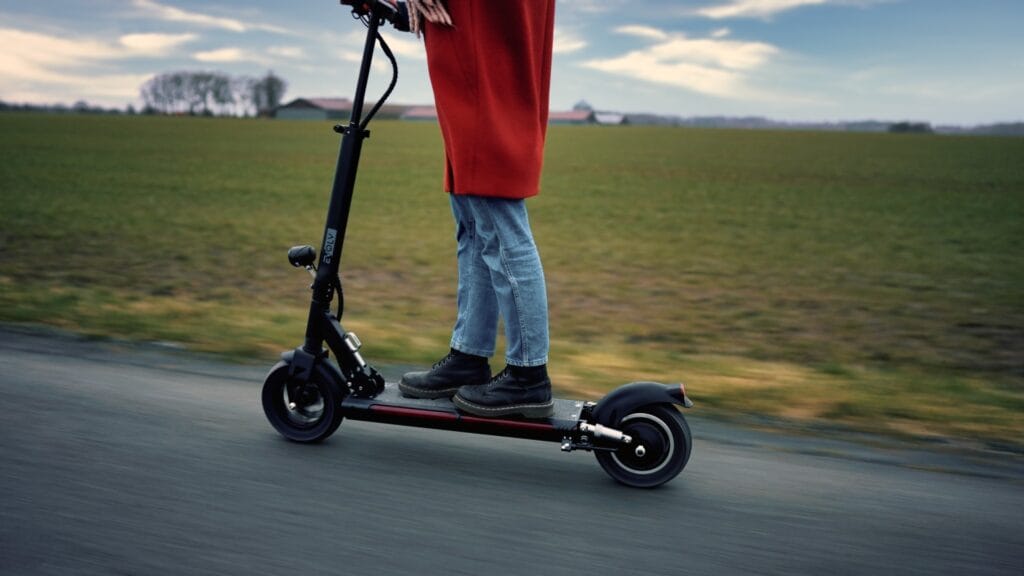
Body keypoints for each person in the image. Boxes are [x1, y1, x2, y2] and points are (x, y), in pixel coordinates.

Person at [385, 0, 558, 418]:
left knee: (497, 219)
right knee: (474, 220)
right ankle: (470, 354)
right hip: (471, 45)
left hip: (483, 50)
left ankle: (528, 375)